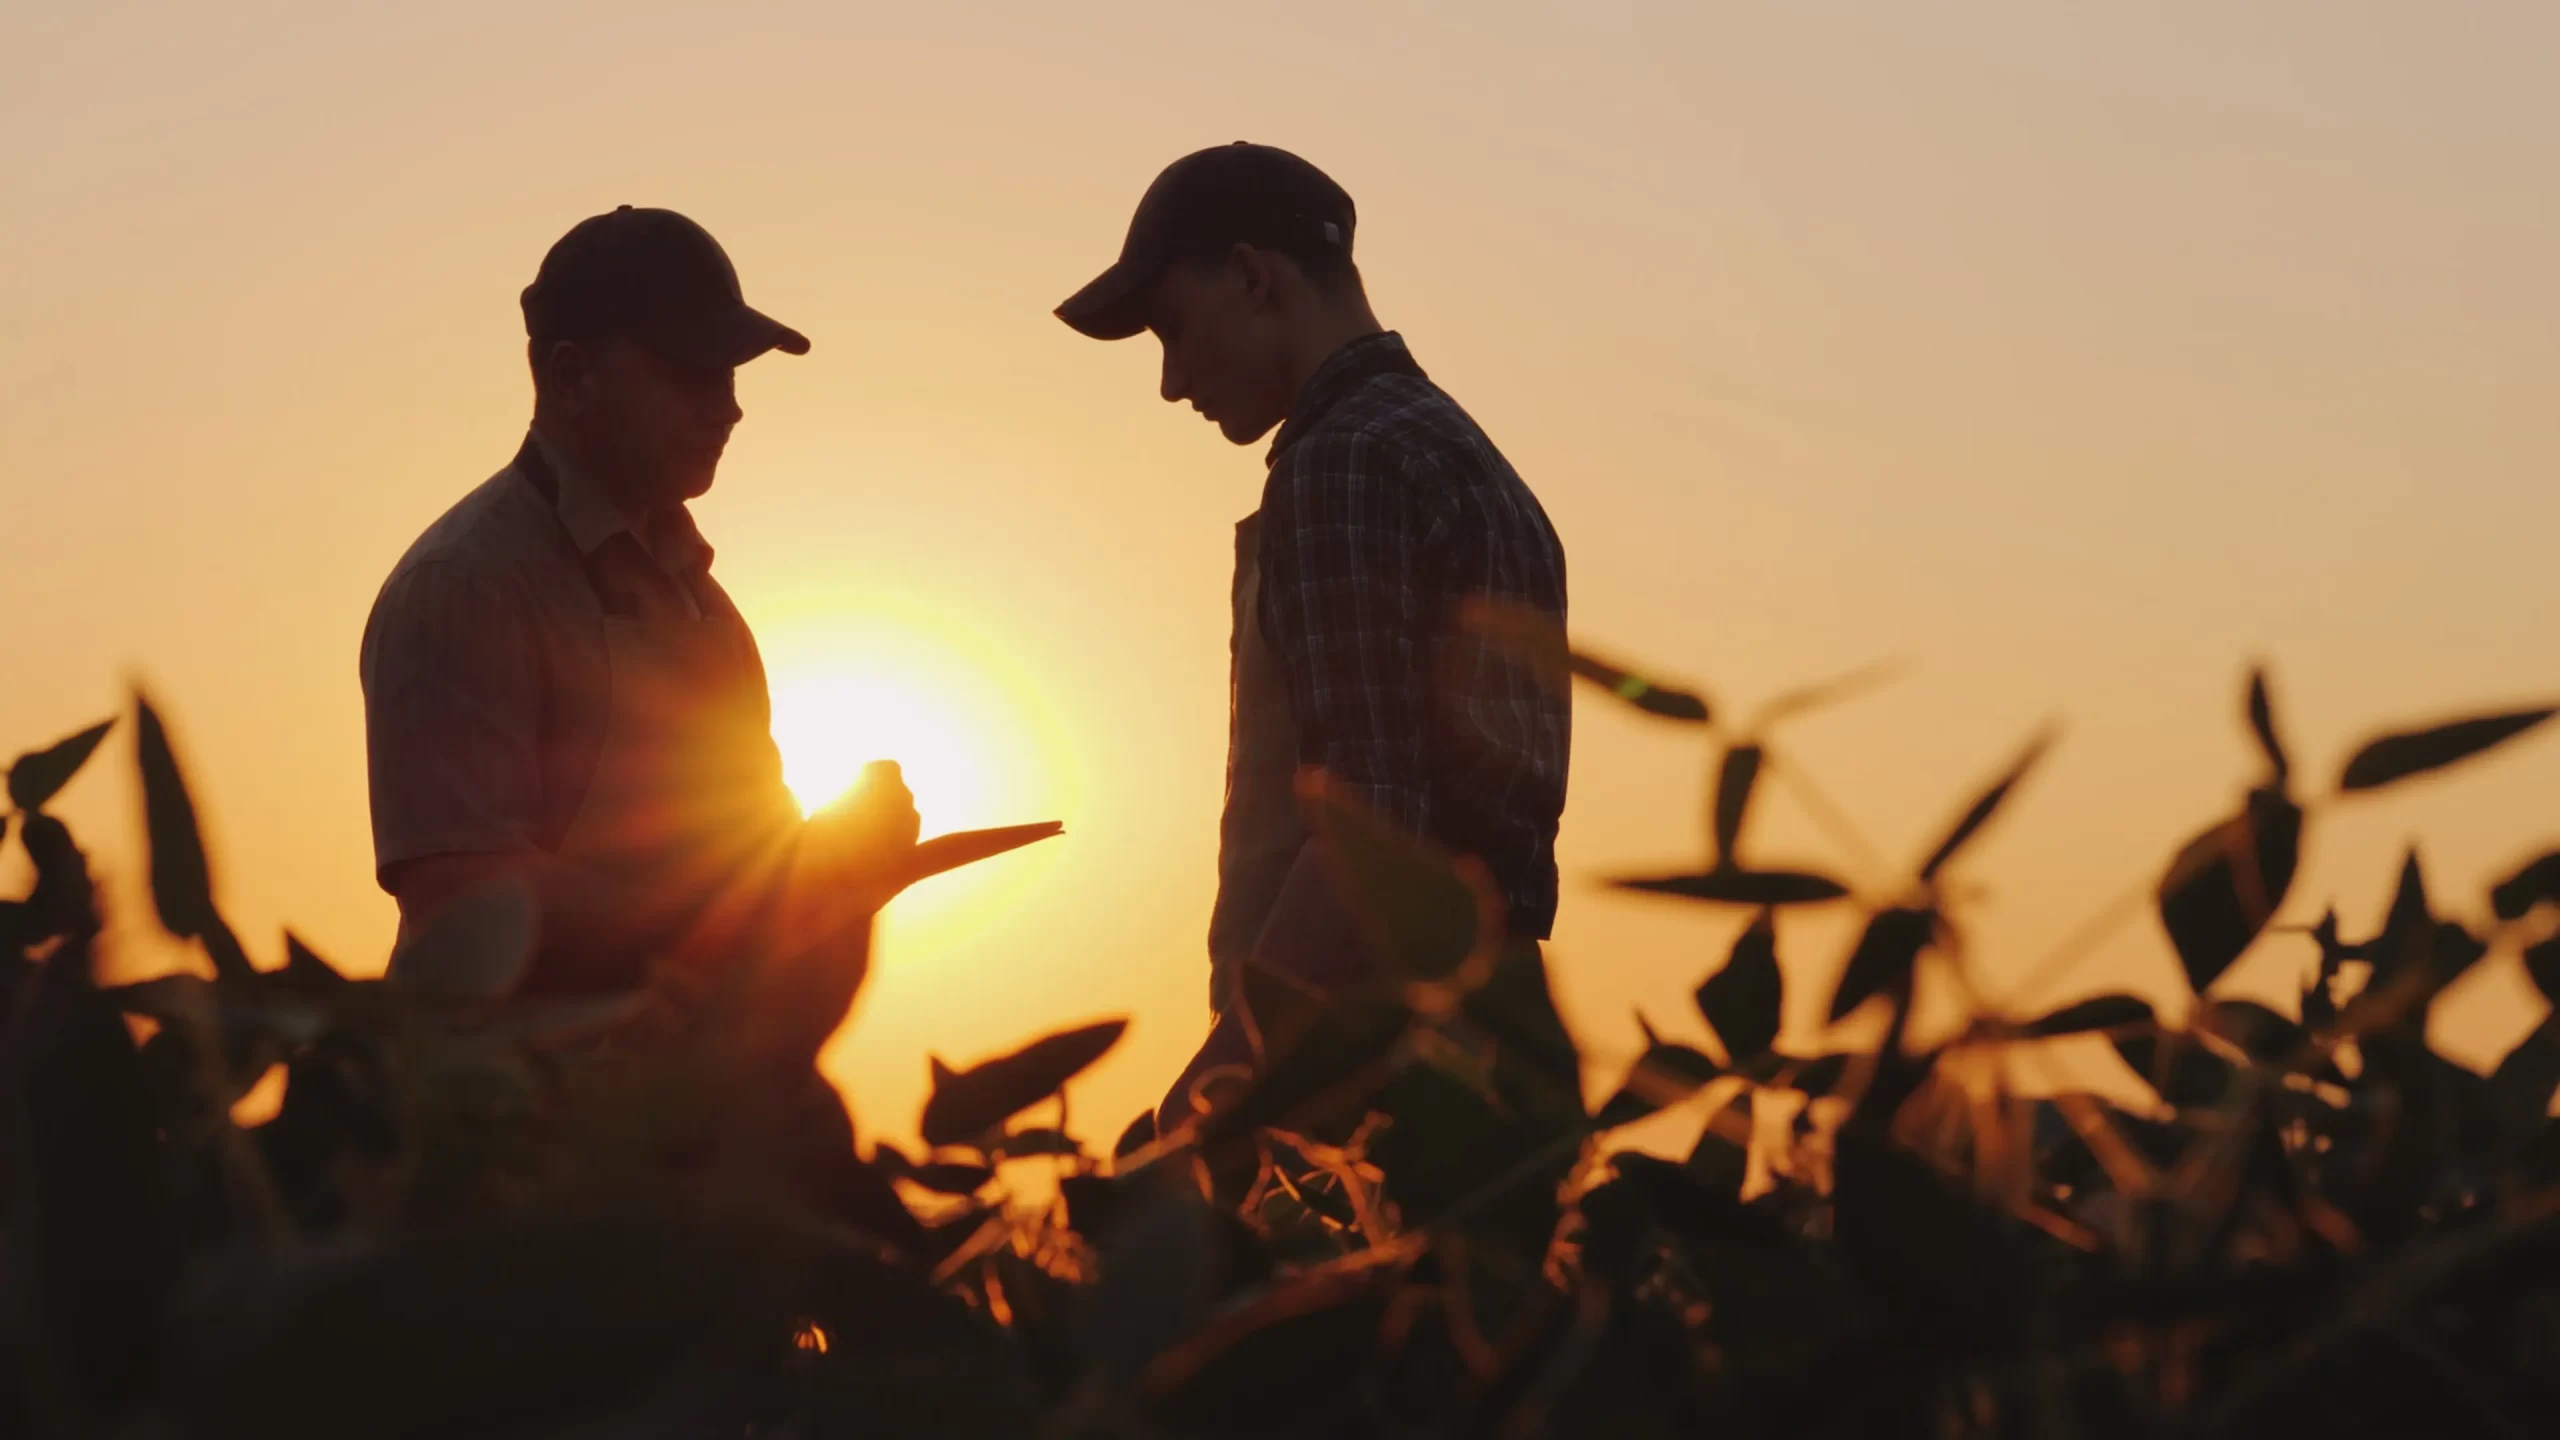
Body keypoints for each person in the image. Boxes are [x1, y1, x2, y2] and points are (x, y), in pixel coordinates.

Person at [361, 206, 1049, 1062]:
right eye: (689, 373)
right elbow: (458, 894)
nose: (727, 410)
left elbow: (743, 858)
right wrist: (755, 907)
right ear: (572, 377)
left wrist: (840, 851)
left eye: (731, 376)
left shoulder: (707, 609)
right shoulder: (465, 587)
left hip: (684, 1098)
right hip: (499, 1125)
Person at [1055, 144, 1571, 1127]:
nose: (1168, 382)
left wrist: (1216, 1093)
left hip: (1369, 1074)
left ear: (1254, 277)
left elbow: (1367, 832)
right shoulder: (1466, 458)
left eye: (1171, 328)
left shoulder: (1343, 463)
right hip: (1494, 1050)